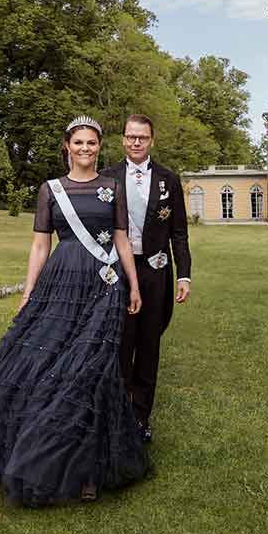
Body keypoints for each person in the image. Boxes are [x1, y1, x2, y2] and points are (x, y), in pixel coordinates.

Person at [0, 116, 150, 506]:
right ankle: (29, 447)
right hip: (59, 284)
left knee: (92, 368)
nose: (85, 149)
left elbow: (121, 240)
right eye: (78, 142)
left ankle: (87, 470)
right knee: (43, 361)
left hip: (102, 285)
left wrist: (133, 283)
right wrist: (29, 291)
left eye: (91, 143)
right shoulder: (50, 190)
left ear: (100, 147)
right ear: (67, 146)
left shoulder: (113, 188)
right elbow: (39, 246)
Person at [100, 114, 191, 444]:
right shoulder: (107, 176)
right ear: (123, 139)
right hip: (119, 271)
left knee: (149, 345)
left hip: (156, 270)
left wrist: (185, 275)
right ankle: (119, 410)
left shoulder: (169, 179)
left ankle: (141, 417)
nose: (136, 142)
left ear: (151, 140)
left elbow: (179, 232)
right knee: (120, 342)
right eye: (130, 137)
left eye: (142, 137)